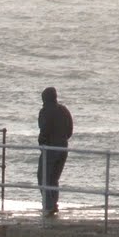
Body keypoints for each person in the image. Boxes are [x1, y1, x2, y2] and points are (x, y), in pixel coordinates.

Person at [37, 86, 74, 217]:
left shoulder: (46, 111)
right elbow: (70, 130)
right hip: (63, 147)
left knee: (43, 177)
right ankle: (53, 203)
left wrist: (41, 141)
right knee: (54, 178)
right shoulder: (64, 110)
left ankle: (48, 205)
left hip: (50, 148)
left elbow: (44, 130)